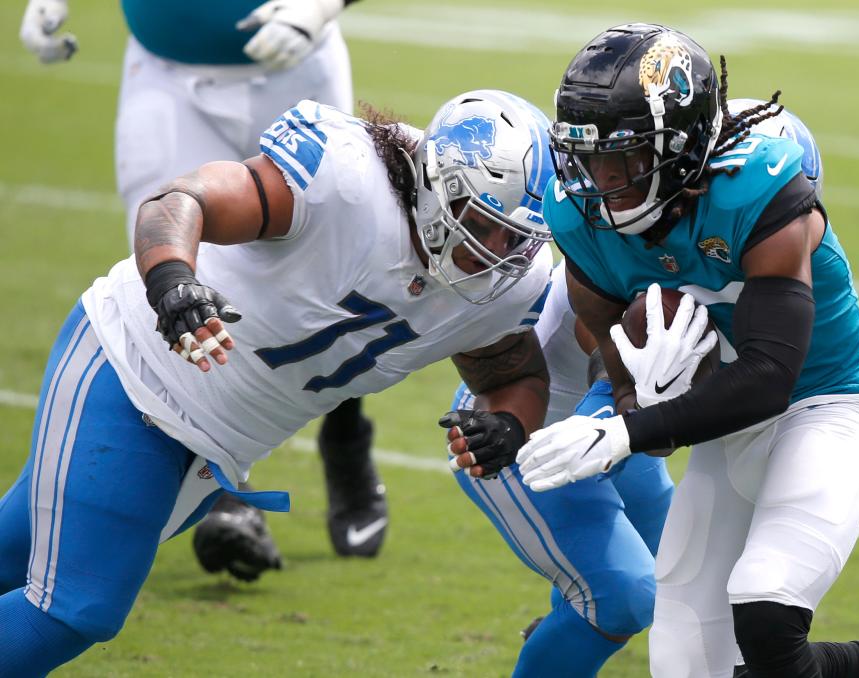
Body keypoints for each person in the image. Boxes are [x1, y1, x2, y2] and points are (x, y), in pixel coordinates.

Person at [0, 89, 556, 676]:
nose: (495, 251)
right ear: (438, 185)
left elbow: (515, 373)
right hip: (138, 369)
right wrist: (172, 280)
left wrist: (508, 425)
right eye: (482, 223)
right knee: (76, 608)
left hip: (219, 447)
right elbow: (179, 201)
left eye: (515, 237)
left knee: (13, 552)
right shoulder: (346, 179)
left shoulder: (511, 287)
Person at [447, 94, 859, 677]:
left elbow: (821, 384)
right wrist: (641, 402)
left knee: (765, 604)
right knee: (686, 662)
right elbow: (652, 423)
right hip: (732, 432)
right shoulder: (640, 235)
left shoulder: (770, 216)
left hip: (816, 416)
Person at [19, 0, 385, 570]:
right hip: (165, 72)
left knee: (333, 267)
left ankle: (345, 437)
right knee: (170, 269)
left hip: (294, 65)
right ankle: (223, 493)